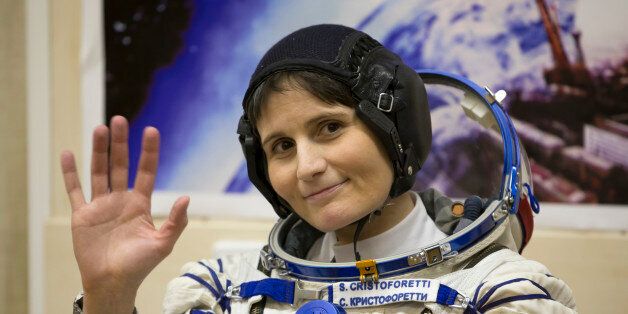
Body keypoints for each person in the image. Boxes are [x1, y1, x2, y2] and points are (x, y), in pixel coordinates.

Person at [62, 24, 577, 313]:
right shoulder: (225, 293)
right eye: (281, 145)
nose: (307, 166)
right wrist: (109, 293)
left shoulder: (499, 294)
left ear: (394, 126)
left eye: (330, 127)